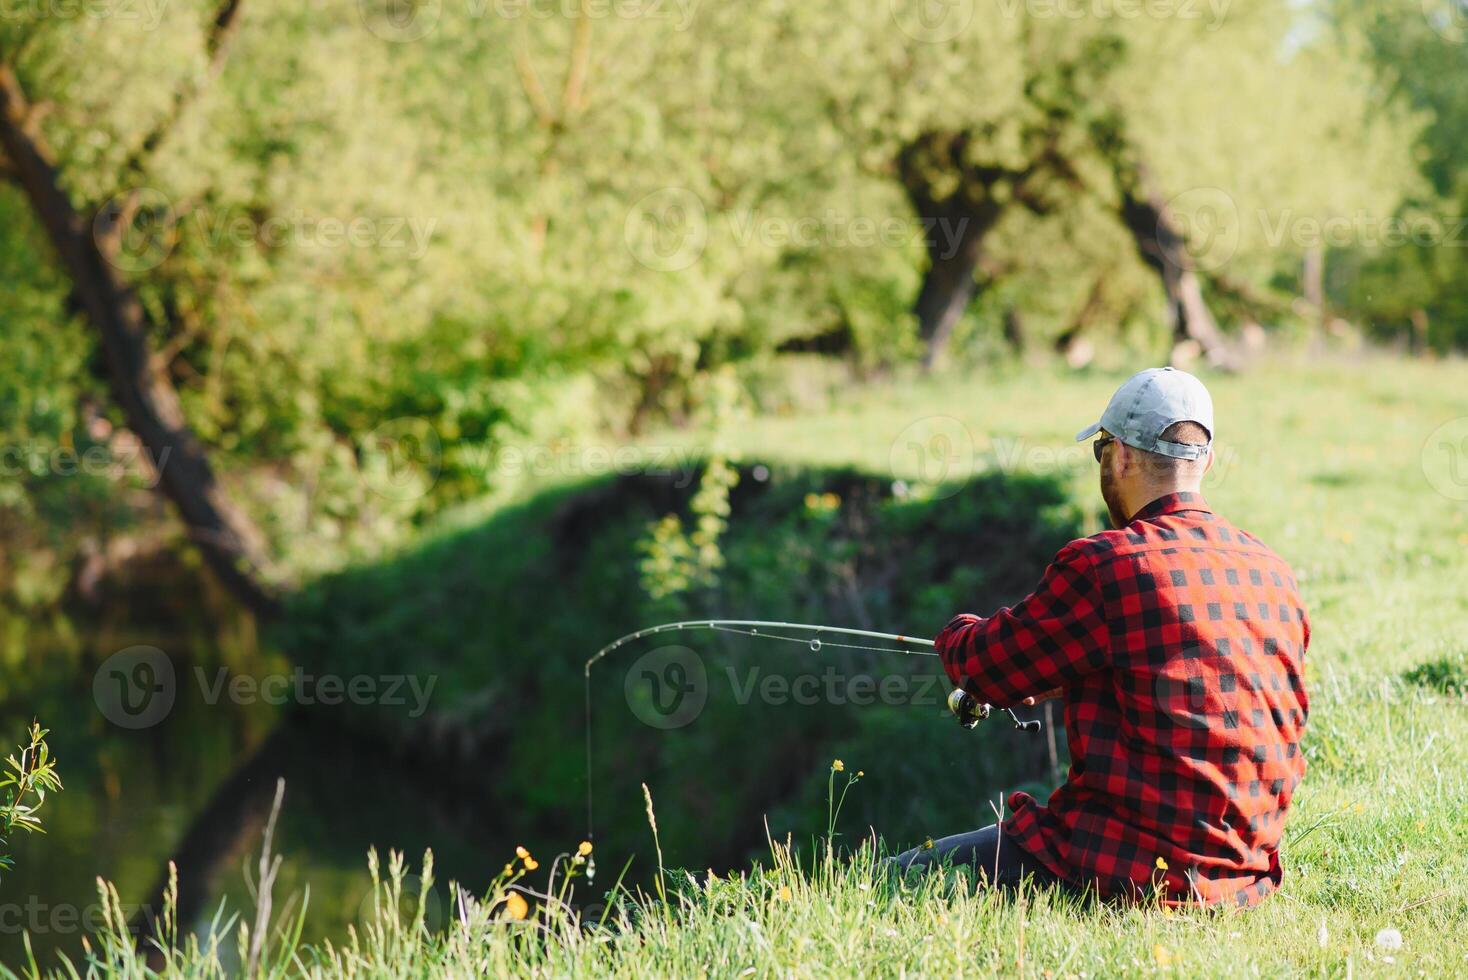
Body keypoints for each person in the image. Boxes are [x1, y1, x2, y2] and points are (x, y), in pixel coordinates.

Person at [895, 367, 1310, 908]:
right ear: (1205, 461)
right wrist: (1069, 678)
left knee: (883, 881)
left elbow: (984, 667)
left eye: (1100, 452)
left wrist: (958, 633)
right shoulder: (1273, 571)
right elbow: (1192, 681)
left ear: (1120, 456)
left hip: (1123, 871)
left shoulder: (1106, 564)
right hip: (1243, 881)